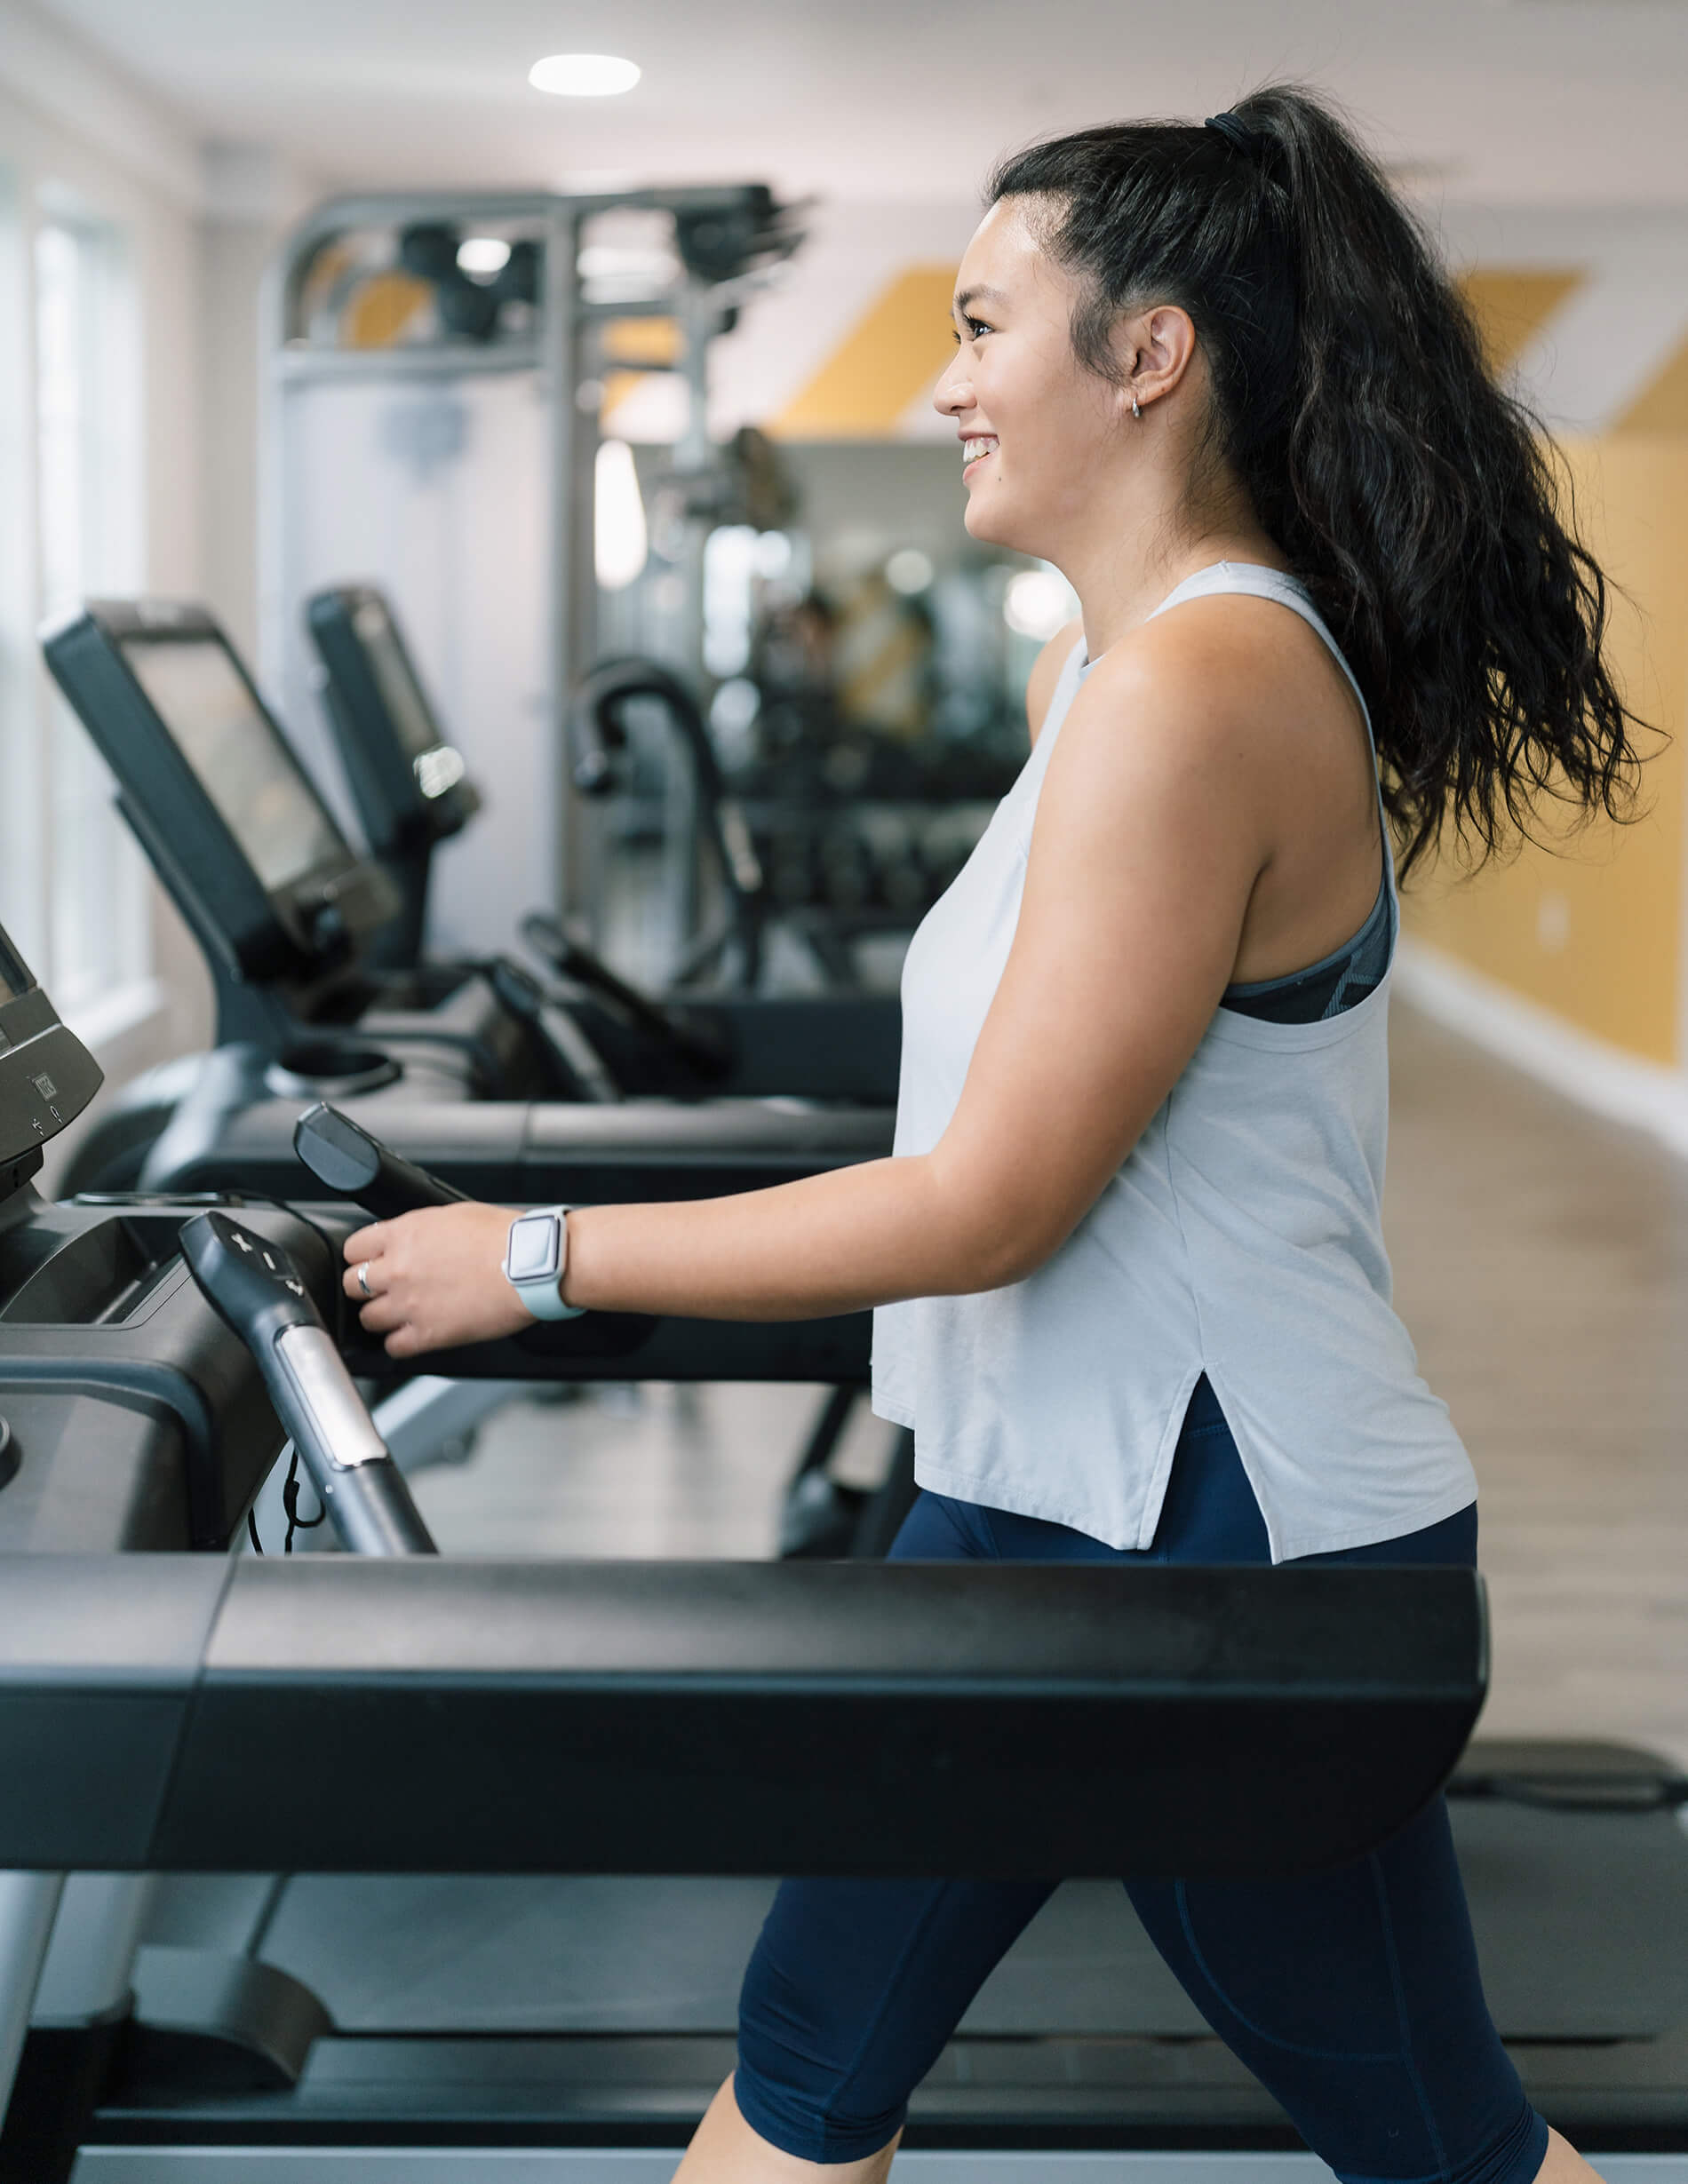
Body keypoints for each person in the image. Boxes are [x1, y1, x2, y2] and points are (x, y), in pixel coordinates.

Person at [340, 84, 1640, 2184]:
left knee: (1429, 2143)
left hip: (1223, 1545)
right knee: (807, 2068)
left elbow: (986, 1202)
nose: (943, 384)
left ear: (1147, 353)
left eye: (977, 325)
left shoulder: (1190, 693)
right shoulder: (1112, 680)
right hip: (1052, 1495)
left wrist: (541, 1257)